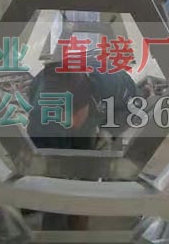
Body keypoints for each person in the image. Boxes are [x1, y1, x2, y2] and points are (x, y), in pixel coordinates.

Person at [27, 56, 136, 230]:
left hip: (97, 110)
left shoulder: (113, 82)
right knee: (54, 180)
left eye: (74, 112)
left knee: (88, 170)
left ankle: (79, 223)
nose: (69, 122)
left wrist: (109, 132)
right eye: (62, 113)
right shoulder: (41, 116)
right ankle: (53, 232)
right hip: (50, 125)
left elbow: (132, 109)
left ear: (87, 102)